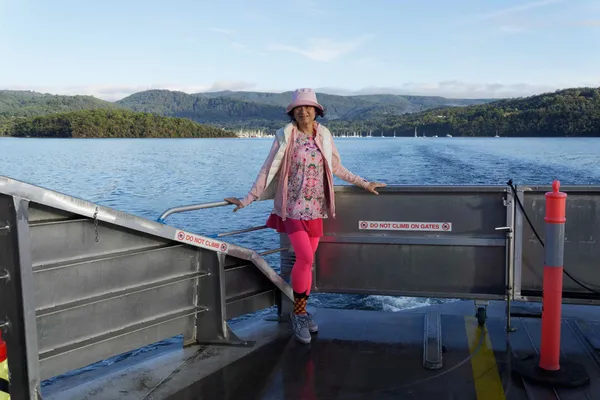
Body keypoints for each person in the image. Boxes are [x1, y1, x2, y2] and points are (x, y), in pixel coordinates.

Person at [224, 88, 385, 344]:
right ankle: (298, 315)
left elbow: (335, 167)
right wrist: (247, 199)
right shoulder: (285, 137)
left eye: (308, 107)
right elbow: (267, 170)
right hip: (292, 209)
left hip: (316, 209)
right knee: (305, 257)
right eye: (298, 108)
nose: (304, 111)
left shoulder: (324, 135)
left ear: (317, 111)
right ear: (293, 113)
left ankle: (301, 311)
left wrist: (364, 183)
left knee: (307, 264)